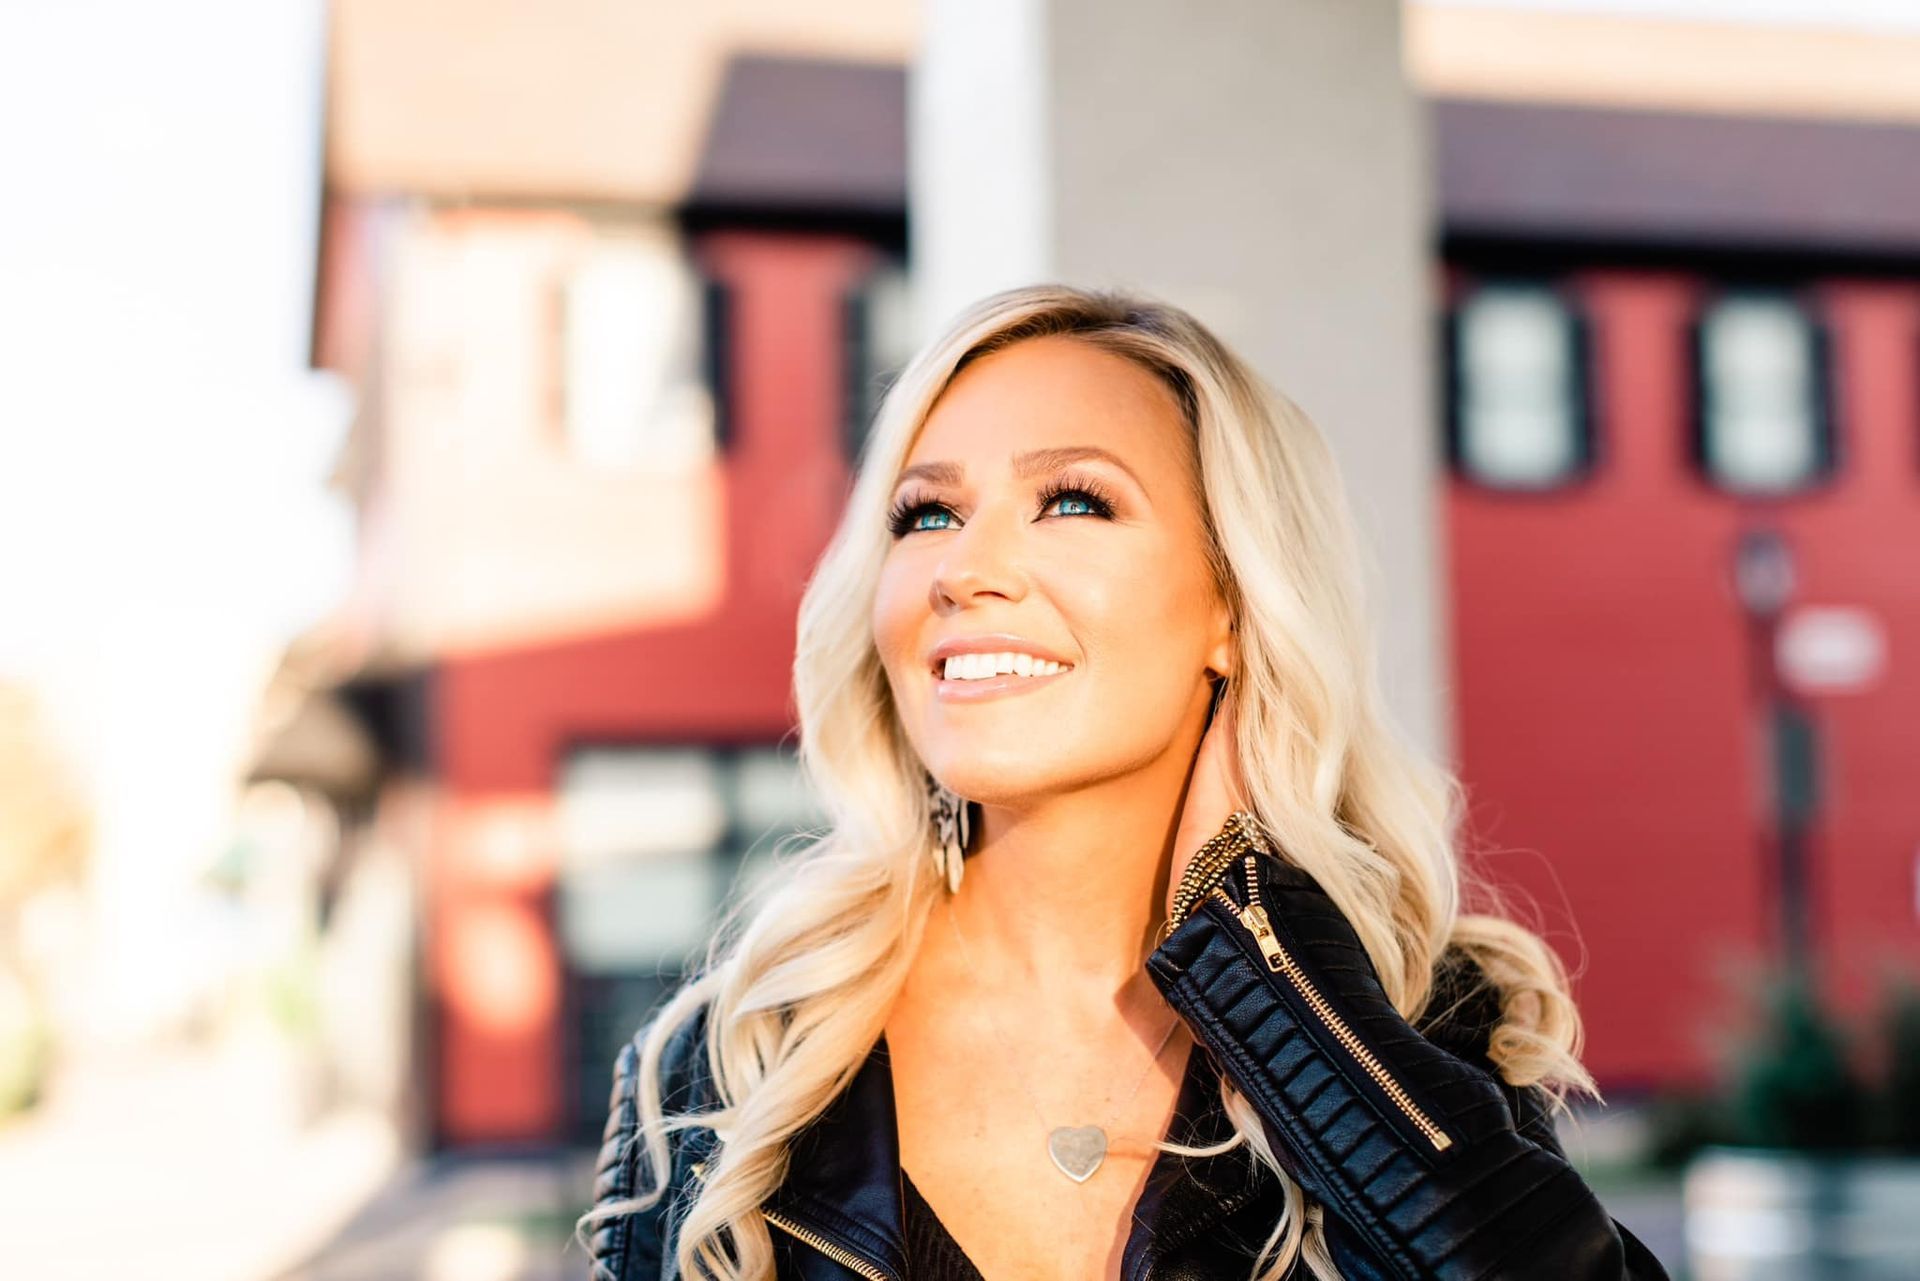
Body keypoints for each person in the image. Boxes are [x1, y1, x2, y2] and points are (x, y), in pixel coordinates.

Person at [578, 283, 1671, 1280]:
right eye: (927, 514)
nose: (965, 571)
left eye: (1073, 501)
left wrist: (1283, 998)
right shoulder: (724, 1071)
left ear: (1231, 609)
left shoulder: (1412, 1020)